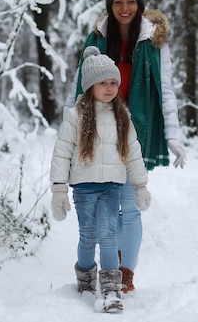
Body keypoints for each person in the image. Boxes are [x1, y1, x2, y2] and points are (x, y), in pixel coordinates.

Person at [66, 0, 186, 293]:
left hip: (139, 132)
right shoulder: (97, 40)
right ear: (110, 5)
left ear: (139, 4)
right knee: (109, 204)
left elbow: (167, 90)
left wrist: (172, 135)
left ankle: (125, 272)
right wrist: (69, 125)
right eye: (117, 1)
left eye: (131, 1)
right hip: (103, 132)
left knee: (130, 207)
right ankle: (113, 264)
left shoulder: (154, 43)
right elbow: (79, 86)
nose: (124, 8)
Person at [49, 46, 151, 313]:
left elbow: (133, 152)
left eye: (113, 83)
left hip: (111, 187)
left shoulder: (122, 116)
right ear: (89, 85)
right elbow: (61, 152)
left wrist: (140, 185)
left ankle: (110, 289)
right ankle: (85, 280)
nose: (109, 88)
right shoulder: (76, 115)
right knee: (88, 236)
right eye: (102, 83)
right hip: (83, 188)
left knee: (107, 236)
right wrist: (59, 190)